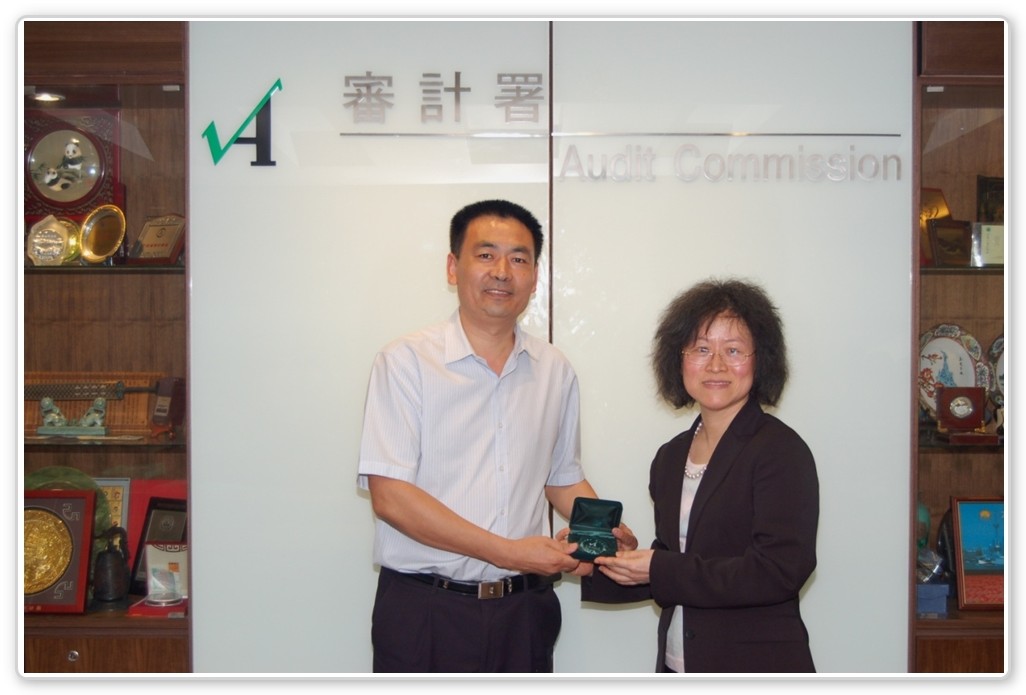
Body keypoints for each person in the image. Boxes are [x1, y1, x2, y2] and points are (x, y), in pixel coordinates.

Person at [357, 199, 636, 673]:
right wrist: (510, 551)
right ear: (453, 267)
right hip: (426, 610)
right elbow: (392, 498)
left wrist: (605, 532)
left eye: (519, 258)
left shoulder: (555, 370)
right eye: (485, 255)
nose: (502, 271)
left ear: (535, 275)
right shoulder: (405, 362)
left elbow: (562, 478)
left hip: (524, 614)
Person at [562, 278, 819, 673]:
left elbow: (778, 571)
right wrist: (606, 561)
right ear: (678, 359)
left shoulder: (780, 451)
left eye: (733, 350)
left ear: (760, 359)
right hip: (677, 666)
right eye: (701, 349)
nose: (716, 364)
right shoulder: (670, 456)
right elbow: (679, 565)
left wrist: (658, 567)